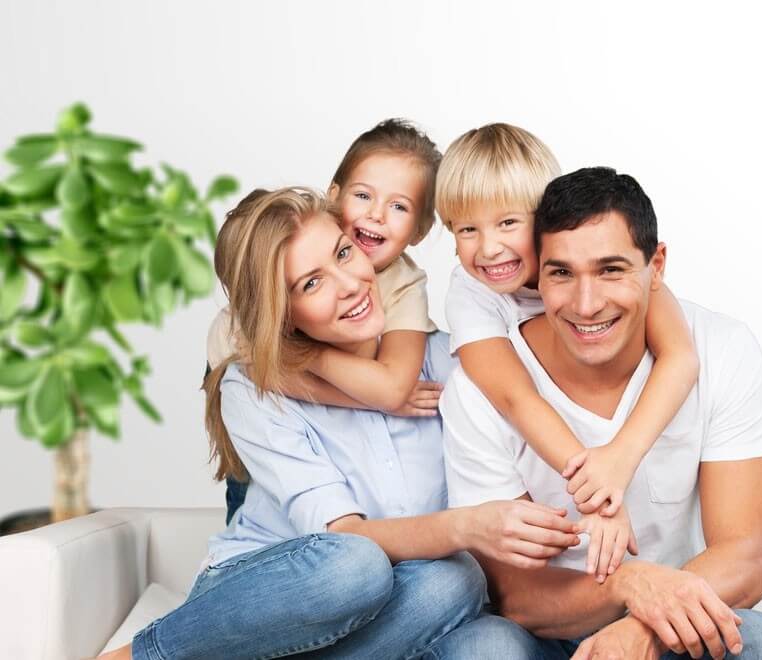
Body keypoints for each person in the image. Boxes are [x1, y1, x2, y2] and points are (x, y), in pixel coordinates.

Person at [99, 188, 580, 660]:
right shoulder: (254, 389)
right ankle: (144, 656)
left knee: (491, 635)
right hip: (264, 601)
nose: (350, 284)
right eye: (311, 283)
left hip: (401, 609)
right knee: (357, 566)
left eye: (344, 253)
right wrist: (466, 527)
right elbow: (346, 537)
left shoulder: (453, 360)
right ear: (282, 315)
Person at [441, 167, 762, 659]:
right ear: (535, 273)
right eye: (562, 273)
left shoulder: (722, 348)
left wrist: (643, 629)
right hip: (544, 631)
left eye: (611, 270)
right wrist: (628, 586)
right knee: (482, 649)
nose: (586, 305)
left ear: (656, 266)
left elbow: (747, 558)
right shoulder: (479, 387)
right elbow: (517, 596)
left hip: (677, 614)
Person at [435, 124, 701, 580]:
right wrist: (598, 493)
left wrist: (621, 457)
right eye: (466, 229)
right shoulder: (471, 293)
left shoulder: (605, 259)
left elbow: (681, 358)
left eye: (507, 223)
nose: (488, 247)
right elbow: (516, 397)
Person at [207, 119, 445, 525]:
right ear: (334, 199)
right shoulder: (258, 300)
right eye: (364, 195)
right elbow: (251, 376)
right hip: (268, 450)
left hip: (355, 463)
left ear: (420, 231)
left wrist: (307, 358)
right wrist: (319, 363)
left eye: (399, 206)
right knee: (256, 503)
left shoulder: (403, 284)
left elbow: (391, 388)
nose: (376, 215)